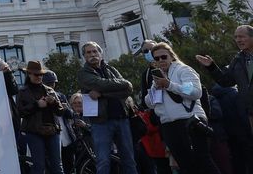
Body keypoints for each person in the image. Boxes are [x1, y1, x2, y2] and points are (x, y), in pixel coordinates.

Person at [145, 42, 219, 174]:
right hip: (168, 125)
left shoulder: (183, 70)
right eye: (157, 58)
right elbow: (150, 103)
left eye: (164, 57)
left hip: (190, 121)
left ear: (171, 56)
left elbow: (195, 91)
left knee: (203, 161)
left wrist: (170, 85)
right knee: (185, 165)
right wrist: (155, 87)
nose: (161, 60)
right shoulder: (157, 77)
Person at [197, 24, 253, 174]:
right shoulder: (238, 59)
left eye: (242, 36)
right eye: (236, 37)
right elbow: (226, 81)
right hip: (249, 112)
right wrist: (211, 67)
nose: (238, 40)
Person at [77, 41, 138, 174]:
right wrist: (117, 86)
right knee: (103, 161)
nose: (92, 54)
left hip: (122, 119)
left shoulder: (112, 69)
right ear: (84, 56)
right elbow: (99, 83)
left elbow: (128, 88)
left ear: (100, 53)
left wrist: (102, 94)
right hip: (101, 123)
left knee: (129, 159)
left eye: (95, 51)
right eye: (88, 52)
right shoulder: (83, 73)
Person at [19, 61, 64, 174]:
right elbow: (19, 112)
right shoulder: (22, 91)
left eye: (41, 74)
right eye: (36, 74)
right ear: (29, 74)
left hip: (53, 130)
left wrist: (54, 102)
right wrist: (36, 105)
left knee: (57, 166)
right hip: (33, 132)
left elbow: (60, 111)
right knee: (39, 166)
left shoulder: (50, 90)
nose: (39, 77)